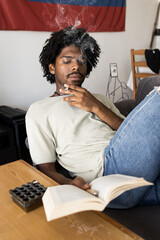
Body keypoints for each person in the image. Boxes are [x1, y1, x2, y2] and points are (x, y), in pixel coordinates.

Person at [26, 26, 160, 209]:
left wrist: (95, 105)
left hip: (134, 178)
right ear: (51, 67)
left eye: (82, 61)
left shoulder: (99, 99)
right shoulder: (39, 110)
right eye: (67, 61)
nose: (76, 66)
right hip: (108, 175)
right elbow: (45, 167)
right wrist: (67, 183)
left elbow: (131, 133)